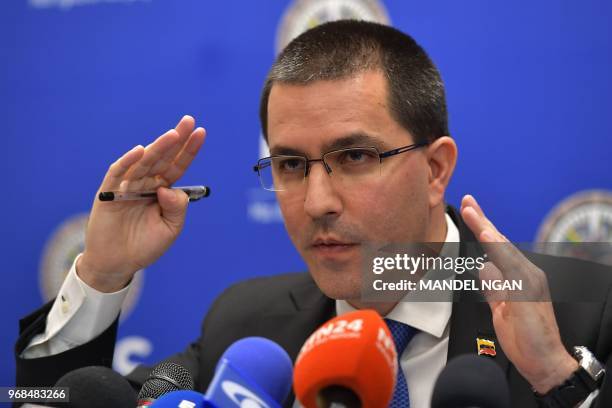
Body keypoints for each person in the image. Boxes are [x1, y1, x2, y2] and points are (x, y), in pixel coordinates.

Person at [15, 20, 612, 408]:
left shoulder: (584, 310)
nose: (317, 202)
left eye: (354, 156)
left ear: (435, 171)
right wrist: (100, 274)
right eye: (291, 165)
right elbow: (61, 400)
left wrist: (560, 381)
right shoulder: (246, 328)